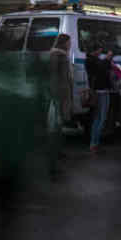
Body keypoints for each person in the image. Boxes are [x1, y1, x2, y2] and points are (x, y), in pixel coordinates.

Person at [48, 34, 73, 177]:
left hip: (61, 96)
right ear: (63, 43)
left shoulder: (62, 55)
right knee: (54, 127)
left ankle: (57, 154)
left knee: (58, 126)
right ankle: (52, 164)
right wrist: (56, 96)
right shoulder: (57, 55)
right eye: (69, 42)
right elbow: (54, 78)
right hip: (58, 97)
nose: (70, 44)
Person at [85, 38, 113, 154]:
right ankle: (94, 144)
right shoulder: (91, 60)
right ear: (95, 50)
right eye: (100, 50)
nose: (101, 52)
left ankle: (94, 143)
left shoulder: (92, 59)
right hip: (100, 91)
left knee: (97, 118)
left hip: (99, 90)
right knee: (101, 118)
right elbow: (100, 70)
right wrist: (107, 59)